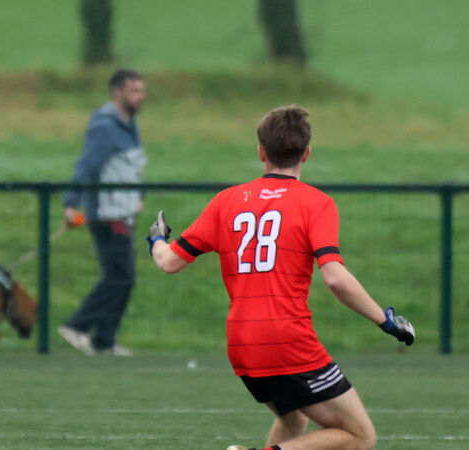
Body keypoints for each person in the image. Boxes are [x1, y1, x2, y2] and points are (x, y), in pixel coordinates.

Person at [146, 105, 415, 450]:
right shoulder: (316, 204)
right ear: (307, 153)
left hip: (243, 344)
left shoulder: (226, 201)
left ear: (261, 152)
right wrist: (387, 321)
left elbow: (168, 262)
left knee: (293, 419)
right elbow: (334, 277)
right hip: (287, 342)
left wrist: (156, 239)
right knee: (360, 436)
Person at [57, 68, 147, 356]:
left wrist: (139, 196)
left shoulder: (128, 125)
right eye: (134, 90)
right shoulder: (106, 126)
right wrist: (72, 203)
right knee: (119, 275)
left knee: (123, 276)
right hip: (106, 213)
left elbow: (128, 170)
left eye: (142, 91)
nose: (140, 96)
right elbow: (88, 166)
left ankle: (104, 341)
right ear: (117, 92)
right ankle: (77, 326)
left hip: (123, 212)